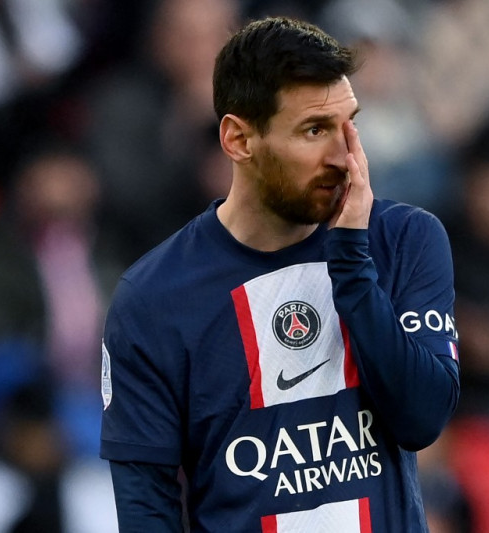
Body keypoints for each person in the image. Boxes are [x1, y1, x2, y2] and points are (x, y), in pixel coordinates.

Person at [99, 15, 460, 532]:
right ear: (238, 140)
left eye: (349, 124)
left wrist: (353, 262)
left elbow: (421, 419)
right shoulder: (153, 297)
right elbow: (146, 509)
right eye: (315, 130)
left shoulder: (403, 240)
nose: (346, 157)